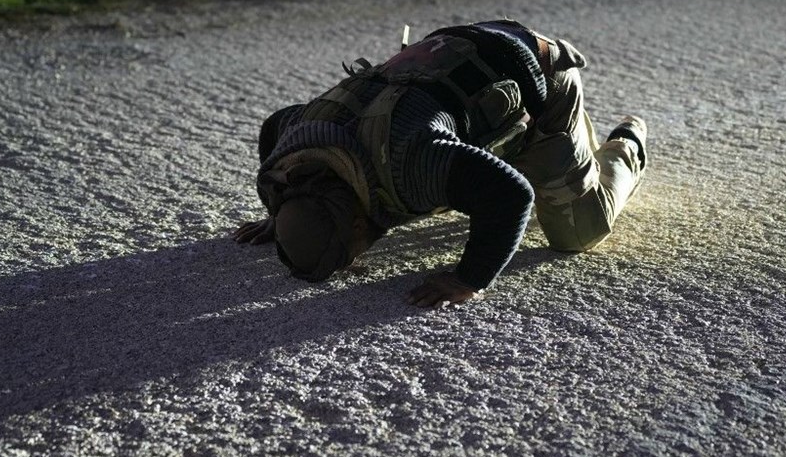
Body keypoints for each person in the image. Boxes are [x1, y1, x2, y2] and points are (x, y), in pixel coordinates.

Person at [234, 20, 647, 308]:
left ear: (358, 225)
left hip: (539, 83)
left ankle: (626, 143)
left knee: (578, 232)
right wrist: (283, 215)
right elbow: (275, 123)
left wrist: (469, 278)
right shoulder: (290, 155)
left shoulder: (409, 166)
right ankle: (554, 157)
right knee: (464, 172)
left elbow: (510, 195)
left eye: (348, 256)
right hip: (454, 56)